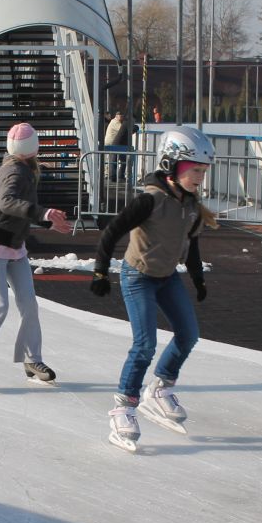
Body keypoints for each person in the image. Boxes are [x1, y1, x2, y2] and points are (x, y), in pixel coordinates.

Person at [89, 128, 218, 452]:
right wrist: (100, 272)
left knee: (188, 335)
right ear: (171, 164)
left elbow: (192, 244)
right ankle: (124, 408)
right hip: (138, 277)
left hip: (167, 277)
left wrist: (198, 279)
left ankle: (160, 387)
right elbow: (112, 232)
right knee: (144, 343)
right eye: (195, 170)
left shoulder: (190, 204)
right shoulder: (151, 199)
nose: (200, 177)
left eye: (203, 171)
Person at [0, 123, 72, 392]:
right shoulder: (14, 170)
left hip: (14, 246)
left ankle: (32, 361)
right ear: (32, 147)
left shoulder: (24, 168)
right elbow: (8, 202)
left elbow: (21, 210)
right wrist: (44, 214)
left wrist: (46, 221)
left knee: (29, 304)